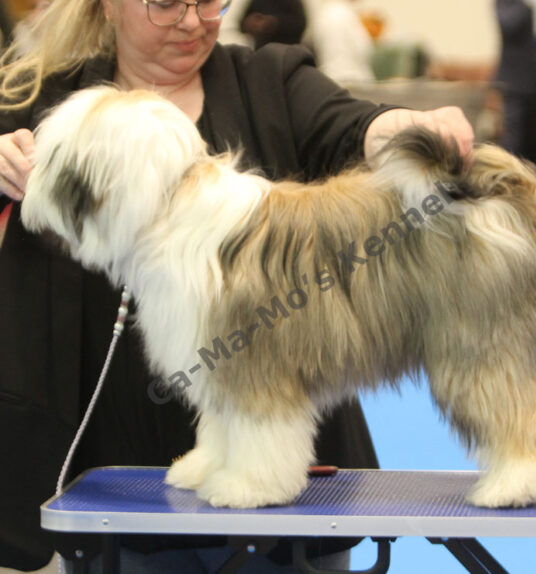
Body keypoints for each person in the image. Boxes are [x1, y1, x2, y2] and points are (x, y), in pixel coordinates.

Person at [0, 0, 473, 571]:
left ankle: (252, 458)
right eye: (165, 2)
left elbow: (351, 124)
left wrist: (392, 128)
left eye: (209, 1)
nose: (191, 19)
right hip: (116, 477)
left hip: (290, 500)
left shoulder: (270, 77)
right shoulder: (45, 101)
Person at [494, 0, 536, 157]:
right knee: (513, 135)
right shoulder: (510, 5)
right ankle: (507, 169)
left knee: (530, 134)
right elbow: (509, 26)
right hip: (514, 81)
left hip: (531, 78)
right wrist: (529, 7)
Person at [311, 0, 375, 83]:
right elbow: (363, 50)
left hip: (330, 77)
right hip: (353, 79)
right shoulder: (347, 14)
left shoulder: (323, 13)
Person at [240, 0, 307, 49]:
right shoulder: (257, 2)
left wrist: (273, 23)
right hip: (262, 52)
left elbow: (300, 25)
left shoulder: (292, 2)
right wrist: (250, 23)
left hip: (289, 53)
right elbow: (242, 25)